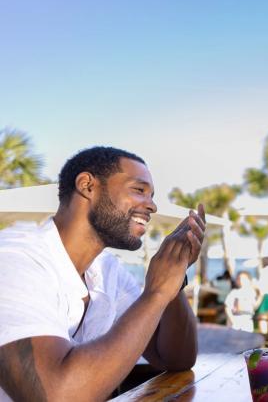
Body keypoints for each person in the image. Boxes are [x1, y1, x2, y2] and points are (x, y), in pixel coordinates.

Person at [0, 147, 206, 401]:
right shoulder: (14, 260)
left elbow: (175, 358)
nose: (151, 205)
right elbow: (56, 395)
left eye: (152, 195)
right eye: (139, 190)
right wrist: (156, 293)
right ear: (87, 185)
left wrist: (175, 277)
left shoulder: (107, 270)